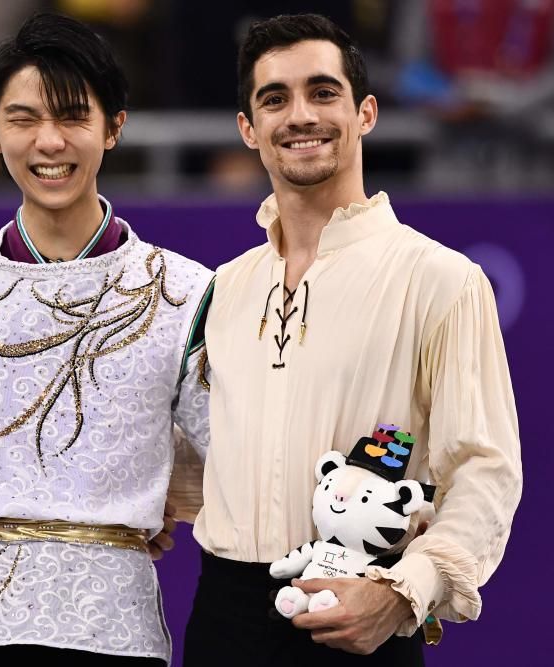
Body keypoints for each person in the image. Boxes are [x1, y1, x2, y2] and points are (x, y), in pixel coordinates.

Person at [185, 13, 522, 666]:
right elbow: (204, 453)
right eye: (274, 99)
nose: (300, 115)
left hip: (362, 611)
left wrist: (406, 594)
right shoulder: (226, 286)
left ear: (366, 112)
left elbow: (484, 471)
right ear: (248, 130)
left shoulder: (442, 279)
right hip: (222, 618)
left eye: (323, 92)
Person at [0, 13, 213, 666]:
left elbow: (236, 458)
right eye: (22, 118)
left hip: (117, 630)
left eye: (72, 116)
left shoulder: (182, 290)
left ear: (114, 126)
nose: (49, 141)